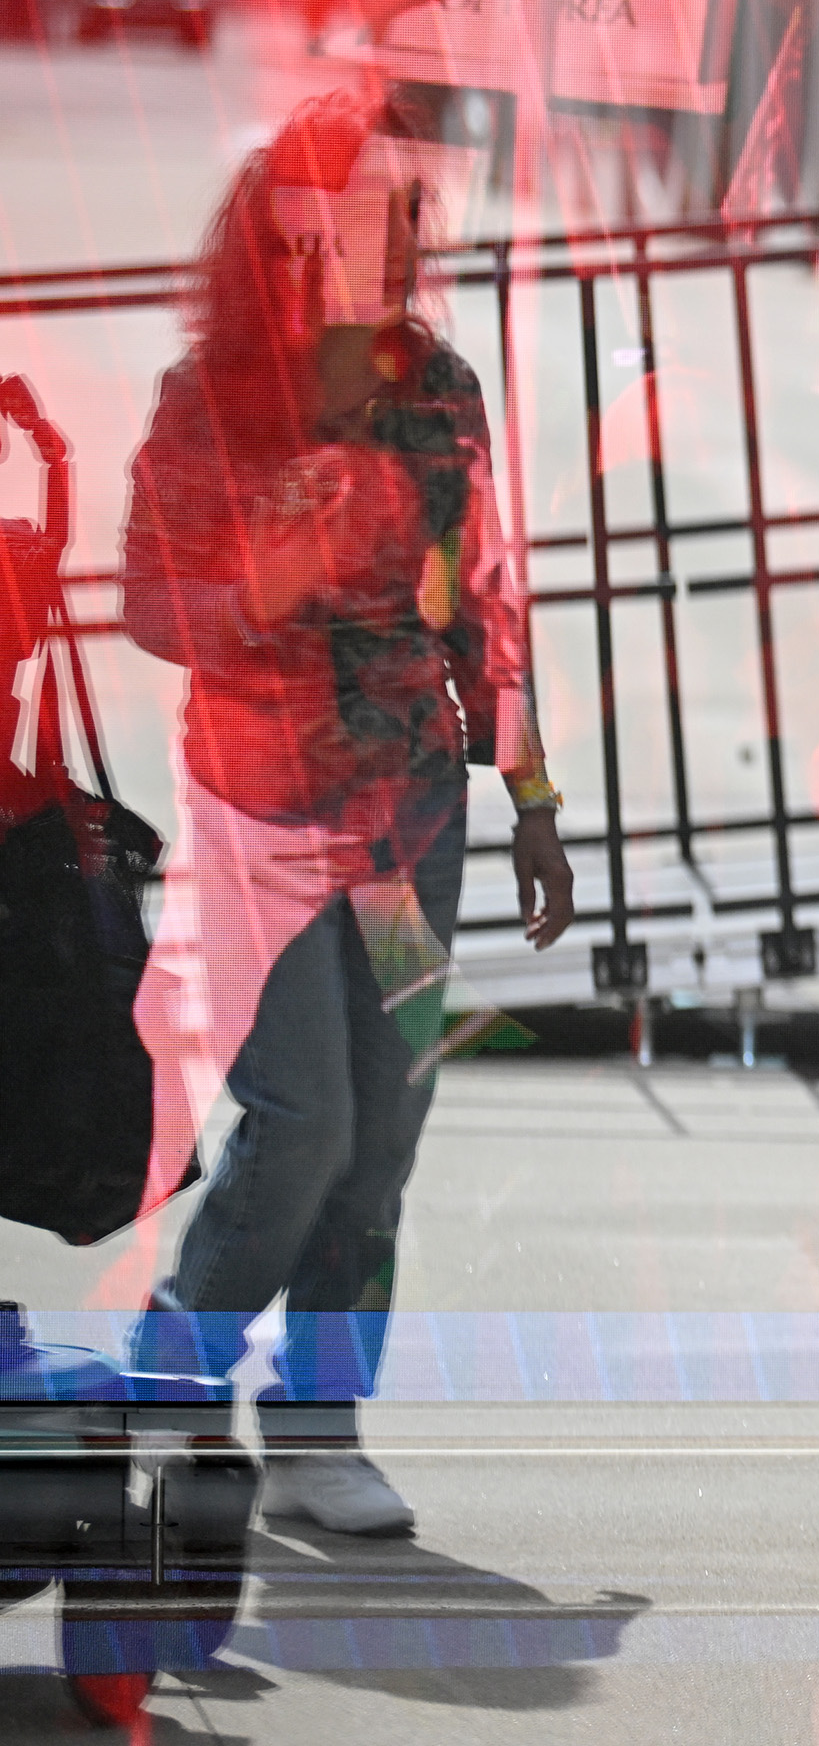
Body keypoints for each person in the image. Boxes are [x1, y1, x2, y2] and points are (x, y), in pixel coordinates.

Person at [118, 89, 573, 1537]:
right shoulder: (215, 400)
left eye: (410, 212)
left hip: (403, 844)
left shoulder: (439, 394)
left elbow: (483, 607)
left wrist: (532, 796)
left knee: (388, 1134)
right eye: (371, 210)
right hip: (260, 825)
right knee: (303, 1124)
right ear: (297, 230)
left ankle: (320, 1426)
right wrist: (273, 564)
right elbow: (147, 597)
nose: (403, 235)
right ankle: (179, 1363)